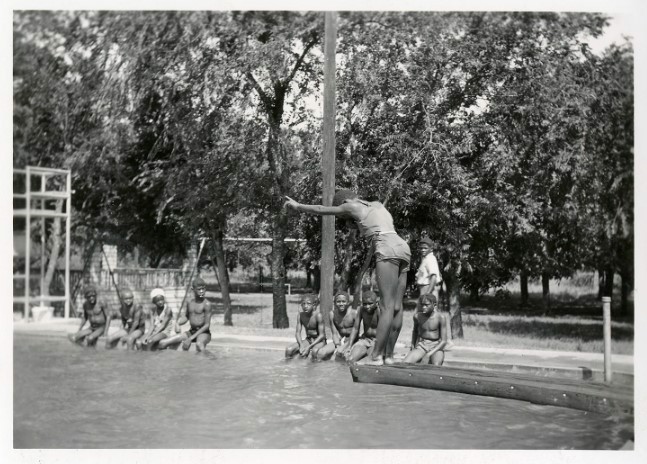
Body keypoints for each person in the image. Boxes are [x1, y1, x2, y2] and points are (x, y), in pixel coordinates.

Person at [285, 190, 410, 365]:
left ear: (344, 201)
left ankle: (376, 357)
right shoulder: (377, 205)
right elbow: (377, 237)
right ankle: (388, 356)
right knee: (397, 306)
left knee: (386, 305)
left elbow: (322, 209)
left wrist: (299, 206)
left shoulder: (351, 205)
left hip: (387, 247)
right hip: (403, 247)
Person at [416, 237, 453, 349]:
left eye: (425, 248)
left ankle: (446, 342)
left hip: (428, 289)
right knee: (425, 316)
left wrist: (427, 295)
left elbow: (433, 277)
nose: (422, 250)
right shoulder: (426, 259)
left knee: (435, 316)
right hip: (425, 288)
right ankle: (423, 341)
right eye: (421, 248)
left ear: (431, 248)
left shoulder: (430, 259)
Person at [159, 277, 213, 352]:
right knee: (162, 343)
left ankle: (206, 361)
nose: (202, 291)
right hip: (191, 332)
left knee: (199, 345)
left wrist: (190, 339)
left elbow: (207, 325)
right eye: (199, 289)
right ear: (192, 289)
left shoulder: (207, 304)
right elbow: (187, 317)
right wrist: (177, 323)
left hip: (203, 333)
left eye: (203, 289)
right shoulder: (189, 302)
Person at [403, 294, 447, 365]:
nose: (424, 307)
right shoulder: (417, 316)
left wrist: (428, 354)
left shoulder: (440, 318)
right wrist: (413, 346)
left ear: (434, 305)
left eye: (426, 305)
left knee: (436, 366)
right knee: (405, 364)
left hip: (436, 346)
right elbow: (415, 331)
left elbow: (444, 341)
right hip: (422, 345)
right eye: (422, 305)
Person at [316, 291, 357, 361]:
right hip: (340, 339)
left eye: (343, 301)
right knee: (320, 353)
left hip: (353, 340)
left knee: (341, 357)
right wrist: (338, 345)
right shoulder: (332, 314)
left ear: (348, 302)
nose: (341, 304)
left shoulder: (354, 313)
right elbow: (334, 333)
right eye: (338, 302)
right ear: (335, 303)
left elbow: (357, 332)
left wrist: (344, 346)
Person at [285, 294, 326, 359]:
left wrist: (308, 347)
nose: (305, 306)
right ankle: (287, 367)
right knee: (289, 350)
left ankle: (315, 368)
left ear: (313, 305)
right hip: (308, 340)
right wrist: (301, 345)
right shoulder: (300, 315)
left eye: (308, 304)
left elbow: (322, 335)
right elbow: (297, 333)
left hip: (319, 341)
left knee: (314, 352)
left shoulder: (318, 316)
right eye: (303, 304)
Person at [344, 290, 381, 363]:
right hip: (365, 340)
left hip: (377, 341)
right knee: (350, 360)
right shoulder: (361, 309)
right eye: (365, 304)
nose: (367, 306)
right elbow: (355, 328)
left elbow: (385, 330)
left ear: (376, 303)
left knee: (370, 360)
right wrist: (349, 345)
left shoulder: (379, 311)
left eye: (370, 304)